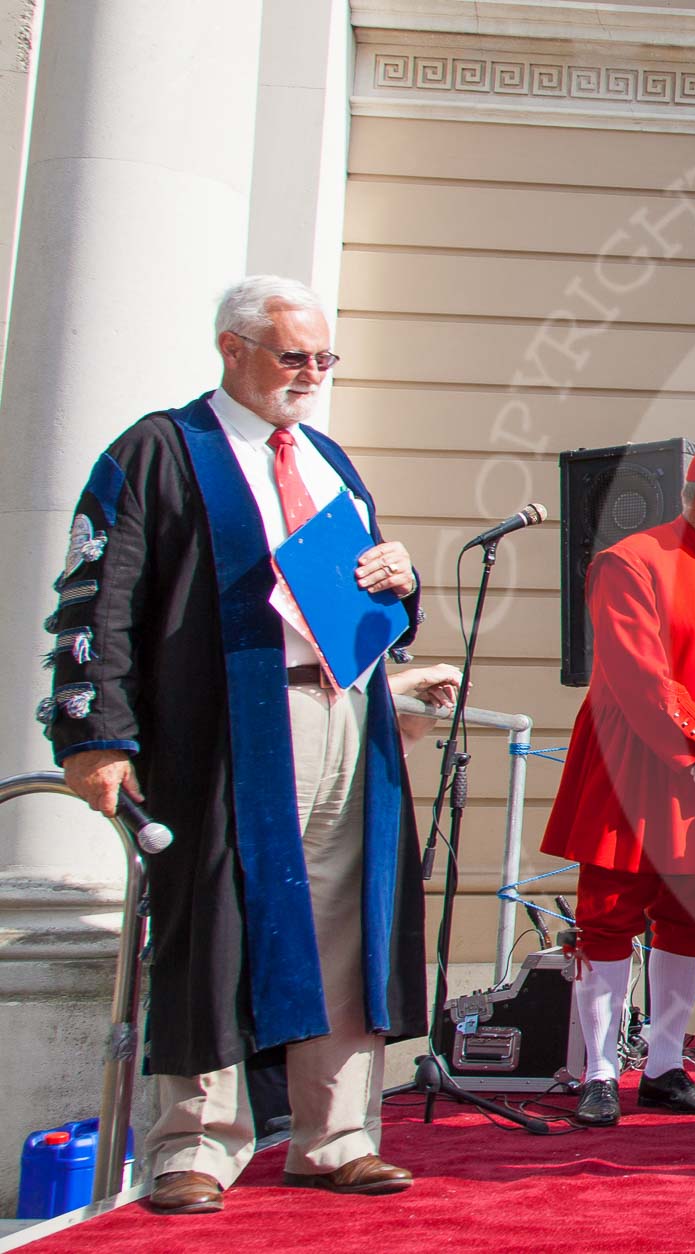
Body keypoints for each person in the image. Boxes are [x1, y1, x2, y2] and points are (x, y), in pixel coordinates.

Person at [48, 276, 426, 1215]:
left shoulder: (328, 460)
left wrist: (400, 580)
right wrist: (96, 735)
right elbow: (100, 597)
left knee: (346, 920)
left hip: (346, 713)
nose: (312, 375)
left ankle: (335, 1136)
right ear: (232, 348)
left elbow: (365, 599)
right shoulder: (160, 450)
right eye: (294, 356)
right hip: (227, 723)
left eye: (324, 359)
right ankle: (194, 1143)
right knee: (213, 920)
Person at [538, 441, 695, 1128]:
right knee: (608, 915)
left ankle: (664, 1066)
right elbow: (637, 671)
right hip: (634, 765)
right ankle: (601, 1071)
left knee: (691, 917)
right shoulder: (631, 559)